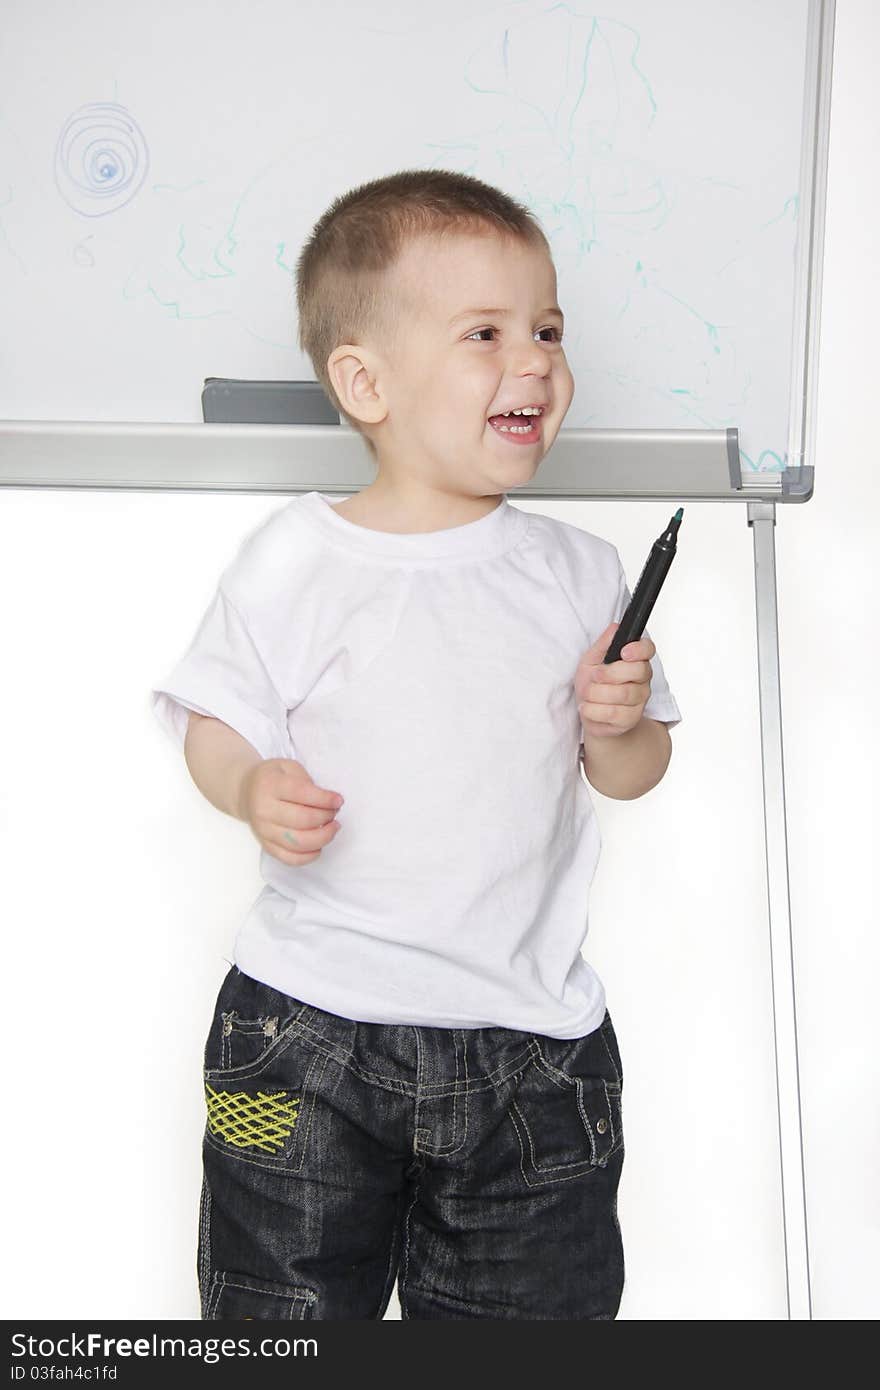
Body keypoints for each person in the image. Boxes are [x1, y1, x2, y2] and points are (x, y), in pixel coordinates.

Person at [150, 168, 683, 1321]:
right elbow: (211, 718)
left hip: (532, 1060)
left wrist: (624, 724)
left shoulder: (582, 573)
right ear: (364, 381)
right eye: (486, 333)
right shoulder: (295, 556)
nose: (535, 360)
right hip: (295, 1043)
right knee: (269, 1326)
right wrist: (251, 782)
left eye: (547, 328)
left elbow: (629, 776)